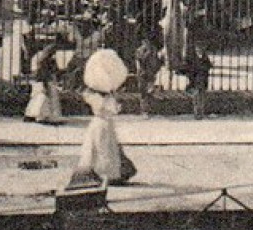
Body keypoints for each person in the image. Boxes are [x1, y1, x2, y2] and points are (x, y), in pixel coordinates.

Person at [70, 50, 137, 187]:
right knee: (104, 149)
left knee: (100, 149)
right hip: (103, 124)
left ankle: (101, 173)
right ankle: (105, 173)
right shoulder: (102, 98)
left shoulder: (97, 95)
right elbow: (112, 110)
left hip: (100, 123)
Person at [25, 42, 63, 124]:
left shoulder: (42, 58)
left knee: (39, 98)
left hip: (41, 80)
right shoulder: (43, 60)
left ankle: (32, 115)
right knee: (43, 98)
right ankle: (44, 117)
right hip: (43, 80)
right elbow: (43, 72)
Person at [132, 38, 161, 116]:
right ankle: (144, 110)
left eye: (148, 41)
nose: (146, 43)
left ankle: (150, 110)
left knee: (150, 91)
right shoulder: (140, 51)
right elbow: (139, 61)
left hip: (151, 73)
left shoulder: (154, 50)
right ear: (142, 42)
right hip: (143, 73)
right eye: (145, 41)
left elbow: (157, 61)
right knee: (143, 92)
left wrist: (156, 69)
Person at [184, 45, 211, 119]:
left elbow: (208, 67)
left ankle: (201, 112)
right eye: (197, 50)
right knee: (196, 97)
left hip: (202, 80)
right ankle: (196, 113)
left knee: (201, 97)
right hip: (195, 80)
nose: (199, 51)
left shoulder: (205, 58)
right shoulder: (193, 59)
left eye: (200, 50)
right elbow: (189, 68)